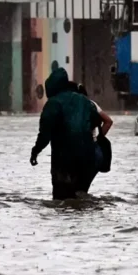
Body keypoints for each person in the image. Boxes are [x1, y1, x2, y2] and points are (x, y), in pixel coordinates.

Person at [30, 68, 102, 200]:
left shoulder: (53, 104)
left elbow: (45, 133)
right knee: (80, 196)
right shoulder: (84, 101)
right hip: (87, 157)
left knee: (61, 197)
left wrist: (35, 151)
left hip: (63, 159)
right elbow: (96, 120)